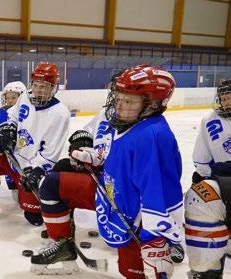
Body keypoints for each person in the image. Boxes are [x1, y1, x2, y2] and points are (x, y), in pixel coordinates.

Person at [32, 65, 184, 279]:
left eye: (129, 101)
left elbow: (157, 193)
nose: (119, 105)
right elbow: (120, 157)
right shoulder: (129, 121)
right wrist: (97, 159)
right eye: (118, 98)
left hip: (137, 217)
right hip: (110, 193)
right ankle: (63, 246)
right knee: (53, 184)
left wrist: (156, 238)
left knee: (135, 272)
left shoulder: (152, 136)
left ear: (154, 104)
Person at [0, 62, 71, 226]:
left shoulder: (60, 114)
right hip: (9, 157)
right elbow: (12, 116)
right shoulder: (25, 96)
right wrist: (7, 129)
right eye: (36, 85)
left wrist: (35, 171)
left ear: (54, 88)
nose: (38, 90)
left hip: (29, 168)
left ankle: (63, 206)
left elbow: (50, 154)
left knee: (34, 218)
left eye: (44, 86)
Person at [185, 79, 231, 279]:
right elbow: (201, 157)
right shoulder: (208, 121)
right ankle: (210, 272)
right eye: (224, 98)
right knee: (213, 229)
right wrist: (205, 177)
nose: (227, 101)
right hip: (220, 183)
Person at [0, 81, 27, 199]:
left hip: (25, 154)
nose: (9, 100)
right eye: (7, 97)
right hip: (6, 155)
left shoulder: (28, 113)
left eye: (14, 97)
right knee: (15, 194)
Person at [191, 79, 231, 183]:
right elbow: (202, 153)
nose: (227, 103)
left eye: (230, 98)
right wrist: (203, 173)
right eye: (224, 99)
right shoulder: (210, 120)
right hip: (221, 179)